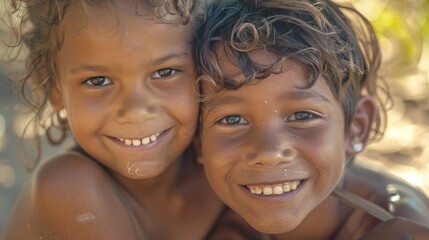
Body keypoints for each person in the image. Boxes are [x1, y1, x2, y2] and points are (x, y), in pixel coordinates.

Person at [0, 0, 259, 239]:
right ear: (55, 89)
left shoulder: (223, 165)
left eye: (165, 72)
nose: (135, 110)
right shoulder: (68, 188)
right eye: (97, 81)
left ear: (205, 70)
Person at [194, 0, 429, 239]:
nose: (269, 153)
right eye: (232, 120)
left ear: (356, 126)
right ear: (198, 140)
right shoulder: (216, 220)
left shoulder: (400, 224)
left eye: (302, 116)